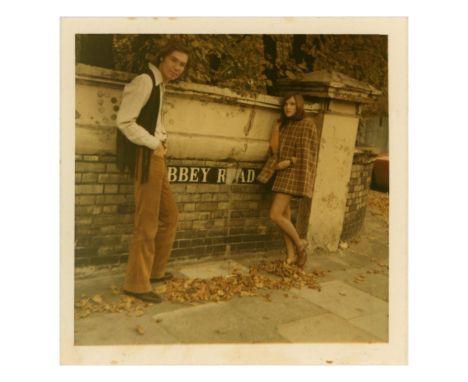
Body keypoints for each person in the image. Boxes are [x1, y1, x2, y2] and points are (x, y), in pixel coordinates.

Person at [115, 41, 190, 303]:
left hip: (155, 155)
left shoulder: (159, 85)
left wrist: (162, 138)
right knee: (146, 222)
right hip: (146, 157)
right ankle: (136, 284)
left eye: (182, 64)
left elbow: (154, 121)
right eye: (174, 61)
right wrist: (154, 143)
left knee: (170, 215)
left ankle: (155, 272)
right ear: (162, 58)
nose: (177, 67)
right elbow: (124, 121)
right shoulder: (144, 81)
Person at [257, 94, 319, 267]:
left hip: (293, 173)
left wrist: (290, 161)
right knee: (284, 216)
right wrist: (276, 128)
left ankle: (300, 245)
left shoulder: (307, 124)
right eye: (286, 104)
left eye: (292, 104)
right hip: (281, 173)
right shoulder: (285, 124)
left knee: (274, 214)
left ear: (299, 105)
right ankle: (291, 255)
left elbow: (309, 154)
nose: (288, 107)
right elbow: (274, 150)